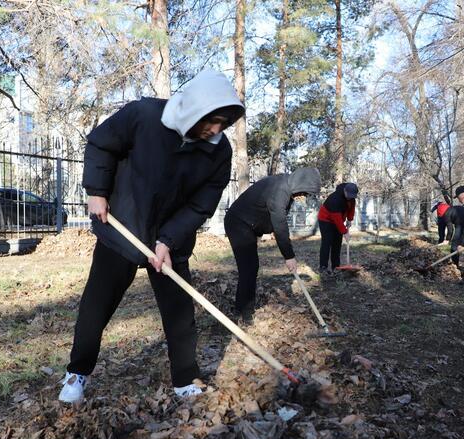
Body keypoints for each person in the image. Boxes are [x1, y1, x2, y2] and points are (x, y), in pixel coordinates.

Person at [58, 70, 245, 403]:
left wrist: (168, 240)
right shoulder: (143, 116)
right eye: (212, 120)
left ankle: (185, 379)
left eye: (223, 123)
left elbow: (202, 203)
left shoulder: (219, 152)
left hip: (170, 243)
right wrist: (97, 190)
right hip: (124, 227)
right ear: (195, 108)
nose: (216, 130)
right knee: (97, 306)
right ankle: (77, 374)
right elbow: (101, 143)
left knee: (179, 312)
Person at [224, 168, 321, 323]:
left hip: (247, 225)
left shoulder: (285, 185)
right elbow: (280, 226)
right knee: (248, 268)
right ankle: (244, 313)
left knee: (250, 268)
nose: (303, 197)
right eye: (304, 193)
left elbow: (273, 219)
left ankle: (242, 308)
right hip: (238, 224)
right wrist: (289, 256)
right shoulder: (280, 191)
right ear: (300, 185)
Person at [317, 182, 358, 272]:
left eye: (352, 196)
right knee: (327, 242)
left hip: (338, 219)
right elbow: (337, 219)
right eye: (349, 195)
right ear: (345, 191)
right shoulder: (335, 199)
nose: (350, 198)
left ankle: (335, 267)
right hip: (326, 219)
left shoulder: (351, 197)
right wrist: (344, 232)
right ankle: (323, 267)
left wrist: (349, 219)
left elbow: (352, 207)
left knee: (337, 244)